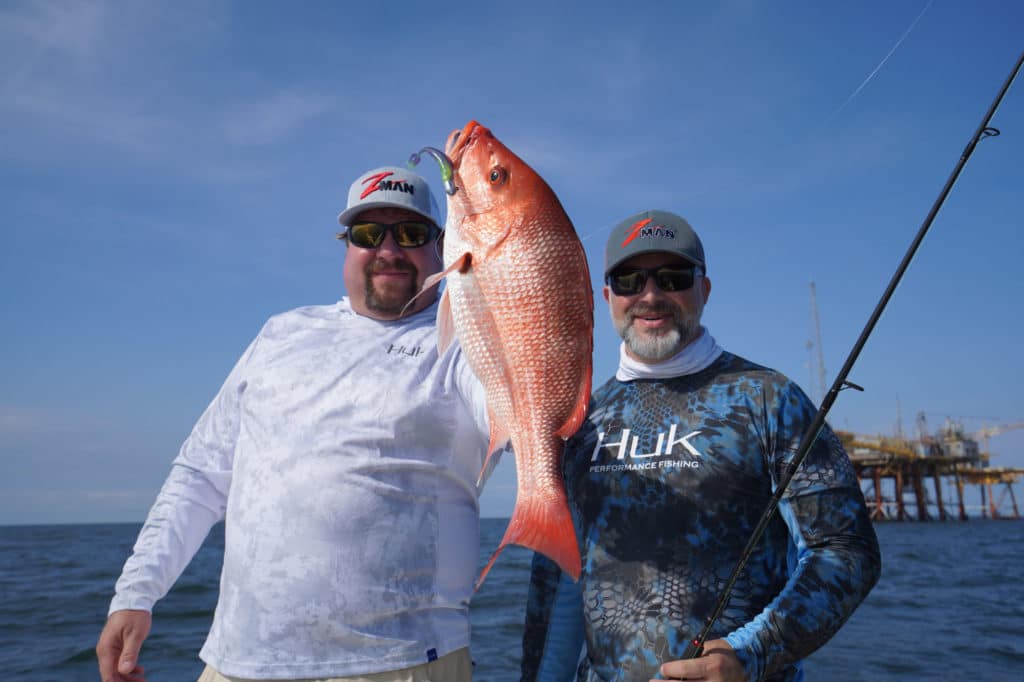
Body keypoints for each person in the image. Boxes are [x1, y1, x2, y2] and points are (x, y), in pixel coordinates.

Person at [97, 166, 495, 682]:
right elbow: (201, 474)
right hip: (237, 661)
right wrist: (136, 593)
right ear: (346, 246)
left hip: (399, 662)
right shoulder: (281, 333)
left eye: (412, 234)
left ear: (443, 247)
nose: (390, 250)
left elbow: (519, 416)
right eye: (369, 234)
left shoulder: (464, 341)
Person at [521, 210, 881, 682]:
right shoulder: (578, 421)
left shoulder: (770, 399)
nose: (651, 295)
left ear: (704, 290)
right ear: (607, 297)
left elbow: (847, 550)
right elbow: (557, 585)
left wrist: (749, 656)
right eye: (630, 280)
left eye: (672, 277)